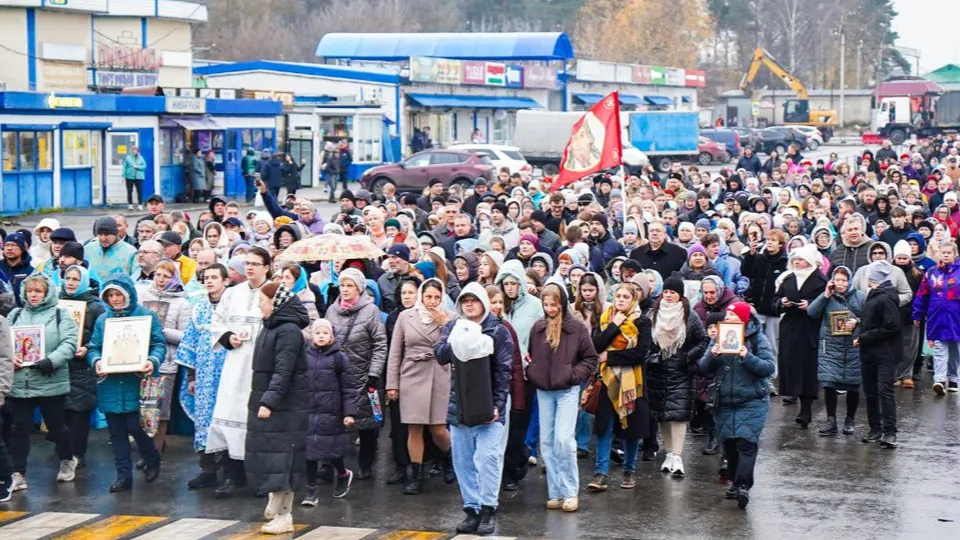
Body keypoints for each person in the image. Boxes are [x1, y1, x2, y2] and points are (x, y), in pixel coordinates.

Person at [435, 282, 514, 535]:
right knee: (462, 460)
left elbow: (504, 370)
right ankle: (472, 509)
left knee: (487, 458)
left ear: (483, 302)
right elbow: (440, 354)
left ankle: (489, 508)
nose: (469, 304)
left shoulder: (498, 330)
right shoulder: (454, 326)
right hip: (460, 404)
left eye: (474, 300)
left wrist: (498, 405)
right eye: (465, 300)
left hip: (489, 405)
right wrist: (460, 338)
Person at [87, 274, 166, 492]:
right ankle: (124, 476)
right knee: (116, 432)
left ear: (128, 294)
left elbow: (158, 344)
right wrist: (97, 361)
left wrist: (152, 360)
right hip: (111, 383)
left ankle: (152, 457)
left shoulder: (146, 316)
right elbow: (94, 347)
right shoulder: (103, 320)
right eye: (110, 295)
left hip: (137, 381)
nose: (114, 299)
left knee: (137, 427)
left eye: (118, 294)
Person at [207, 247, 272, 498]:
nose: (250, 268)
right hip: (235, 366)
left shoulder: (274, 292)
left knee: (259, 423)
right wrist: (228, 337)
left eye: (255, 263)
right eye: (247, 263)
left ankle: (262, 478)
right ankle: (232, 476)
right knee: (230, 417)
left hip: (262, 366)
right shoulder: (232, 293)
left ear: (266, 267)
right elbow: (217, 322)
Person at [527, 282, 598, 512]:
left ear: (563, 303)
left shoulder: (576, 328)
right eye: (546, 304)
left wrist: (572, 375)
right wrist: (533, 372)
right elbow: (531, 355)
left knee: (563, 439)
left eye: (554, 304)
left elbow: (590, 358)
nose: (550, 308)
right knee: (547, 441)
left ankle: (569, 491)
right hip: (544, 390)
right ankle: (555, 491)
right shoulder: (538, 327)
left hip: (567, 390)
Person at [697, 302, 776, 509]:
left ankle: (743, 486)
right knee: (730, 444)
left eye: (731, 316)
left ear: (743, 319)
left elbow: (769, 368)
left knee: (746, 443)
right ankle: (734, 482)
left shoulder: (758, 339)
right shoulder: (717, 337)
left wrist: (747, 356)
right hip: (724, 401)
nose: (727, 319)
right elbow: (703, 368)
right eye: (726, 316)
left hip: (752, 401)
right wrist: (712, 355)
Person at [246, 281, 310, 534]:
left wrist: (269, 400)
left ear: (275, 303)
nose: (259, 305)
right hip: (268, 402)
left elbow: (284, 370)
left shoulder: (288, 332)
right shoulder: (270, 327)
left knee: (285, 462)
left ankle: (285, 515)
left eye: (262, 301)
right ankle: (275, 499)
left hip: (286, 407)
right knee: (270, 459)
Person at [6, 274, 78, 491]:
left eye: (38, 291)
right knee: (19, 428)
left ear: (47, 293)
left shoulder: (60, 314)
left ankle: (68, 458)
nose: (33, 295)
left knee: (56, 427)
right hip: (21, 382)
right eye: (30, 291)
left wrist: (51, 360)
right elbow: (3, 342)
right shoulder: (16, 315)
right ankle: (19, 473)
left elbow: (69, 343)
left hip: (50, 380)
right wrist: (11, 359)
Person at [386, 278, 454, 494]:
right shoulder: (406, 317)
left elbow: (457, 345)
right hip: (412, 375)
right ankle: (416, 476)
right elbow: (395, 352)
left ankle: (448, 458)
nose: (432, 301)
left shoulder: (450, 317)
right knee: (414, 428)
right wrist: (392, 384)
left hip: (439, 374)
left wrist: (445, 323)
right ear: (421, 297)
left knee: (438, 429)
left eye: (436, 297)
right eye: (428, 296)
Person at [587, 283, 652, 492]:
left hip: (632, 381)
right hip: (607, 380)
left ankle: (629, 470)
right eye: (618, 296)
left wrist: (610, 356)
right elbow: (595, 345)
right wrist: (614, 325)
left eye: (626, 297)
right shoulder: (605, 318)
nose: (621, 300)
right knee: (603, 426)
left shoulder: (642, 321)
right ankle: (601, 472)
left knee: (631, 428)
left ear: (633, 300)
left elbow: (640, 353)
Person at [324, 267, 387, 480]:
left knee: (366, 422)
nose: (345, 289)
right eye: (342, 285)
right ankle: (330, 463)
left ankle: (366, 463)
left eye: (350, 285)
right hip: (337, 375)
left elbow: (380, 344)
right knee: (333, 420)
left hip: (364, 374)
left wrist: (374, 373)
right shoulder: (332, 311)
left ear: (359, 288)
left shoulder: (370, 311)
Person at [647, 275, 709, 477]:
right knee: (663, 414)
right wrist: (651, 358)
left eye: (672, 292)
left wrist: (687, 357)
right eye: (666, 291)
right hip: (657, 371)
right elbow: (644, 340)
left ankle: (678, 455)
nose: (668, 295)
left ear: (680, 294)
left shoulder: (689, 315)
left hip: (681, 372)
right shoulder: (653, 313)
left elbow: (703, 340)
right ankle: (668, 453)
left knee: (679, 415)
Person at [176, 264, 230, 490]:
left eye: (214, 277)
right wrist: (192, 377)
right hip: (204, 376)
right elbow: (190, 343)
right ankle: (208, 469)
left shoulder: (233, 306)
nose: (209, 281)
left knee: (227, 421)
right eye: (206, 277)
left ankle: (230, 472)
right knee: (204, 420)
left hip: (229, 375)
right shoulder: (198, 309)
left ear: (225, 280)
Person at [137, 259, 191, 453]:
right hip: (142, 360)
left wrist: (161, 331)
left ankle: (155, 451)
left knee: (161, 410)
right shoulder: (142, 296)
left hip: (166, 363)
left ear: (174, 278)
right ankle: (145, 448)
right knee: (143, 408)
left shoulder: (182, 304)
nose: (161, 279)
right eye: (158, 274)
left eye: (166, 276)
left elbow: (185, 336)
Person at [302, 318, 357, 504]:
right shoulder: (305, 357)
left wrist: (349, 413)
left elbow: (348, 388)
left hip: (331, 412)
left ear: (332, 336)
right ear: (312, 335)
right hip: (309, 411)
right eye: (317, 333)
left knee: (332, 450)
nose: (321, 336)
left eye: (325, 333)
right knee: (309, 452)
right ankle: (311, 491)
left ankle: (342, 473)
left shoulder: (339, 358)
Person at [774, 244, 828, 426]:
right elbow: (775, 301)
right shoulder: (788, 278)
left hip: (810, 328)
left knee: (808, 369)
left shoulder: (820, 279)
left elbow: (827, 301)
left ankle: (806, 410)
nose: (796, 262)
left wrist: (811, 304)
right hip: (790, 328)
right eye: (795, 259)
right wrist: (782, 303)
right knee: (792, 367)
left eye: (800, 259)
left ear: (809, 261)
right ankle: (792, 394)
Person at [807, 266, 864, 436]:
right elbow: (812, 312)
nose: (840, 284)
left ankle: (850, 420)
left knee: (853, 384)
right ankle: (831, 421)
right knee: (829, 383)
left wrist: (857, 321)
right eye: (837, 280)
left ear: (849, 281)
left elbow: (871, 316)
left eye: (844, 280)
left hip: (853, 345)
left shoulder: (860, 296)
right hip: (831, 346)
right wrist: (825, 294)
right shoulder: (827, 296)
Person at [58, 265, 104, 470]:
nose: (70, 283)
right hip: (60, 366)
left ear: (84, 281)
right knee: (62, 413)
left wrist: (87, 348)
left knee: (79, 414)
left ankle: (78, 454)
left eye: (76, 279)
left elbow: (102, 336)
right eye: (68, 278)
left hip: (82, 367)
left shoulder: (95, 307)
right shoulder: (56, 302)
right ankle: (64, 453)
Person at [857, 261, 903, 448]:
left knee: (884, 391)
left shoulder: (885, 298)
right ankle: (875, 429)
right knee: (870, 392)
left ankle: (889, 432)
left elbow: (892, 326)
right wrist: (858, 326)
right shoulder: (875, 295)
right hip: (870, 352)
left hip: (885, 353)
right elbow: (871, 321)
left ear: (871, 277)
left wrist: (864, 337)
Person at [913, 241, 960, 395]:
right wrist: (918, 313)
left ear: (955, 254)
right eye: (943, 252)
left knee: (955, 349)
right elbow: (922, 294)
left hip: (956, 318)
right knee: (939, 349)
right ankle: (939, 380)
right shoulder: (932, 272)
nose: (946, 255)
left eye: (949, 253)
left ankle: (953, 378)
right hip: (937, 317)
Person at [122, 146, 147, 210]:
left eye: (136, 150)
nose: (135, 151)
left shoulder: (141, 158)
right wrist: (123, 175)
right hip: (129, 177)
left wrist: (137, 167)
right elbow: (124, 167)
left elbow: (144, 166)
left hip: (139, 177)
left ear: (138, 151)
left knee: (139, 191)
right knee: (129, 191)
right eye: (134, 150)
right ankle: (130, 205)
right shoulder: (128, 158)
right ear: (132, 151)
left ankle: (140, 205)